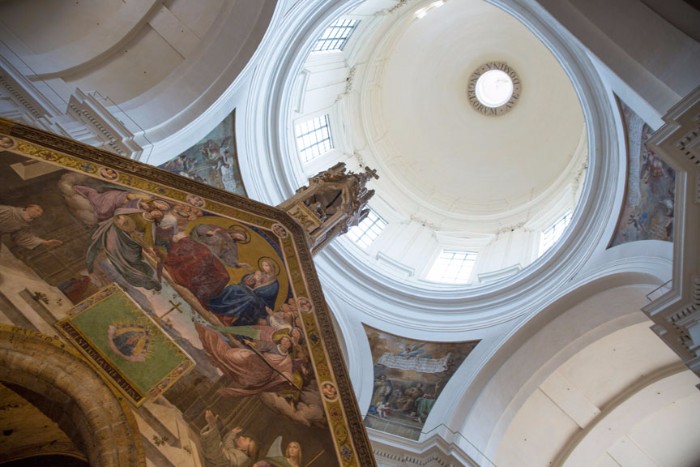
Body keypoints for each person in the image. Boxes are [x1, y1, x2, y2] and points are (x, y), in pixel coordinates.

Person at [196, 324, 297, 397]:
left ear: (290, 346)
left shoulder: (287, 359)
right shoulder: (271, 345)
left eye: (288, 342)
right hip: (253, 359)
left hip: (262, 374)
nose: (286, 343)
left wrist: (289, 379)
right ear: (281, 340)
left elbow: (286, 372)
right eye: (285, 340)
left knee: (244, 375)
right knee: (231, 355)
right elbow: (259, 346)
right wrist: (251, 343)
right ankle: (213, 342)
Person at [207, 257, 280, 326]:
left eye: (266, 266)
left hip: (261, 304)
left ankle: (229, 318)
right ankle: (217, 307)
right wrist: (252, 278)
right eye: (263, 265)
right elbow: (245, 281)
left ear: (272, 267)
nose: (264, 267)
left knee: (248, 299)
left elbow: (265, 294)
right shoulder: (260, 273)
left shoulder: (274, 283)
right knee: (234, 287)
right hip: (250, 293)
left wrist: (258, 283)